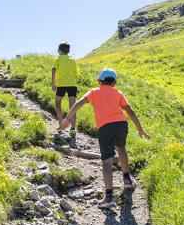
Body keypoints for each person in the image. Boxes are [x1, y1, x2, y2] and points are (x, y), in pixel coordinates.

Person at [58, 68, 151, 208]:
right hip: (121, 125)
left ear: (99, 82)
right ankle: (127, 179)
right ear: (114, 83)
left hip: (105, 127)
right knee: (121, 149)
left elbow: (79, 103)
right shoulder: (118, 93)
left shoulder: (94, 92)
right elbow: (130, 111)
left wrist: (67, 119)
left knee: (107, 160)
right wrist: (140, 129)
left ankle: (109, 197)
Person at [51, 41, 79, 148]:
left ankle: (61, 124)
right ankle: (72, 129)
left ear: (60, 50)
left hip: (61, 85)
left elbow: (54, 69)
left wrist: (53, 83)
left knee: (58, 103)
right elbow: (76, 74)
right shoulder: (72, 60)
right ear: (69, 51)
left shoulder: (58, 58)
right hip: (72, 84)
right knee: (73, 107)